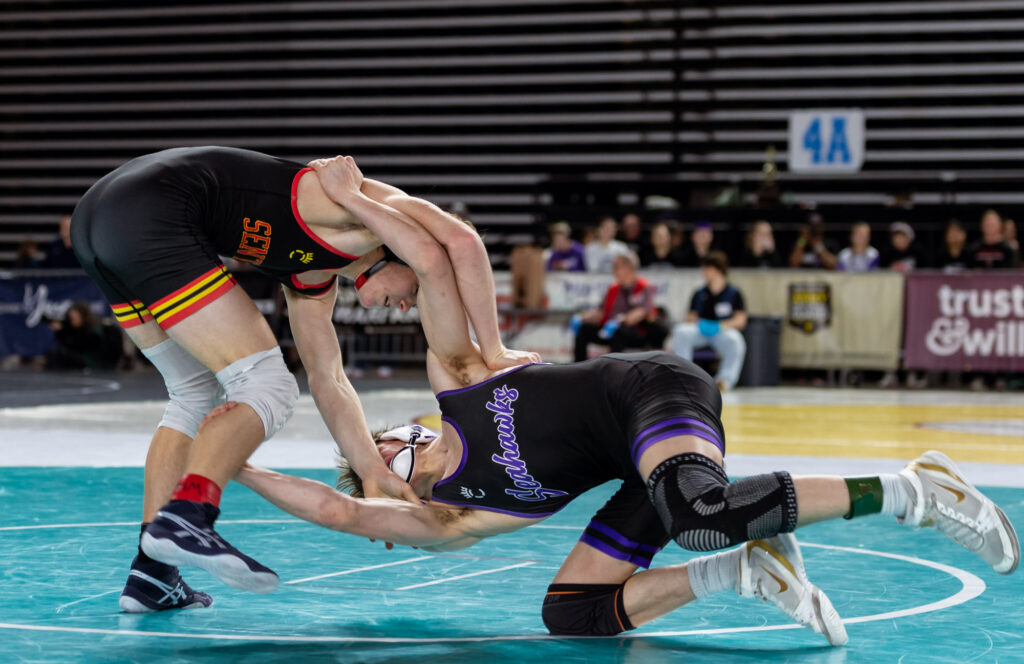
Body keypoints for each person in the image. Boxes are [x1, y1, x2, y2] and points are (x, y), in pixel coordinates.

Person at [236, 312, 1019, 644]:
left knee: (696, 508)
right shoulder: (453, 518)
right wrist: (236, 467)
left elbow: (451, 254)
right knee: (573, 613)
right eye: (381, 459)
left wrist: (369, 227)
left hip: (651, 389)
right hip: (640, 464)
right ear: (397, 492)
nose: (390, 441)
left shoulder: (458, 381)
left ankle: (913, 489)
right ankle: (741, 570)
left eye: (381, 438)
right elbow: (340, 512)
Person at [71, 147, 534, 613]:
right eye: (414, 291)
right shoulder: (357, 205)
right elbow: (460, 239)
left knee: (193, 393)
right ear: (403, 255)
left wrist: (372, 472)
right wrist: (493, 348)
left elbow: (329, 378)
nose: (407, 304)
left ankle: (153, 576)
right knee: (267, 385)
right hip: (151, 209)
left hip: (100, 219)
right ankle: (190, 515)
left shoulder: (315, 276)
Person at [667, 251, 747, 390]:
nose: (704, 272)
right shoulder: (700, 293)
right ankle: (684, 377)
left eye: (707, 269)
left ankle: (725, 380)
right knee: (681, 331)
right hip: (701, 330)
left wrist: (722, 325)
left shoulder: (734, 293)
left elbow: (741, 319)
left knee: (736, 340)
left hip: (722, 330)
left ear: (718, 270)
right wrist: (701, 323)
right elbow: (690, 316)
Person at [571, 252, 668, 361]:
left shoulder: (644, 287)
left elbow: (642, 312)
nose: (614, 270)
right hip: (609, 330)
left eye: (617, 267)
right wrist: (581, 318)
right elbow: (601, 312)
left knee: (619, 333)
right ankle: (579, 367)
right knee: (583, 330)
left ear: (629, 268)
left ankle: (614, 369)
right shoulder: (613, 289)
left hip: (636, 332)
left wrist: (618, 321)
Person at [46, 301, 122, 371]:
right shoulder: (76, 328)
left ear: (82, 316)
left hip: (97, 364)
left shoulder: (94, 330)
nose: (72, 321)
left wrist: (62, 331)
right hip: (88, 363)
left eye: (74, 318)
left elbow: (79, 345)